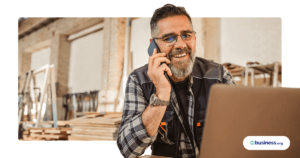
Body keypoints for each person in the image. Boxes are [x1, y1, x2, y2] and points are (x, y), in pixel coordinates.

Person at [116, 3, 236, 158]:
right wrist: (161, 94)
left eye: (186, 35)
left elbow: (239, 132)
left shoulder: (219, 76)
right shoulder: (138, 80)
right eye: (169, 38)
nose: (181, 45)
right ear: (153, 46)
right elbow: (128, 149)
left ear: (194, 38)